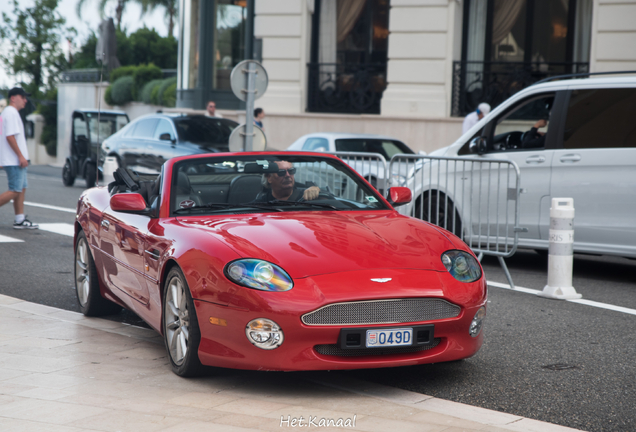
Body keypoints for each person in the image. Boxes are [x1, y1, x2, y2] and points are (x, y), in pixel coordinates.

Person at [0, 87, 38, 229]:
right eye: (22, 97)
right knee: (15, 189)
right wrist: (20, 156)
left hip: (13, 159)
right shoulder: (11, 113)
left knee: (21, 188)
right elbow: (9, 136)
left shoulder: (8, 113)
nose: (25, 100)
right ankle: (19, 219)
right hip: (14, 159)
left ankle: (19, 219)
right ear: (13, 98)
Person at [253, 161, 320, 202]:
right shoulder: (260, 205)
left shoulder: (306, 196)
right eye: (281, 172)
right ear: (269, 177)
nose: (287, 175)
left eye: (291, 171)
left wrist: (317, 191)